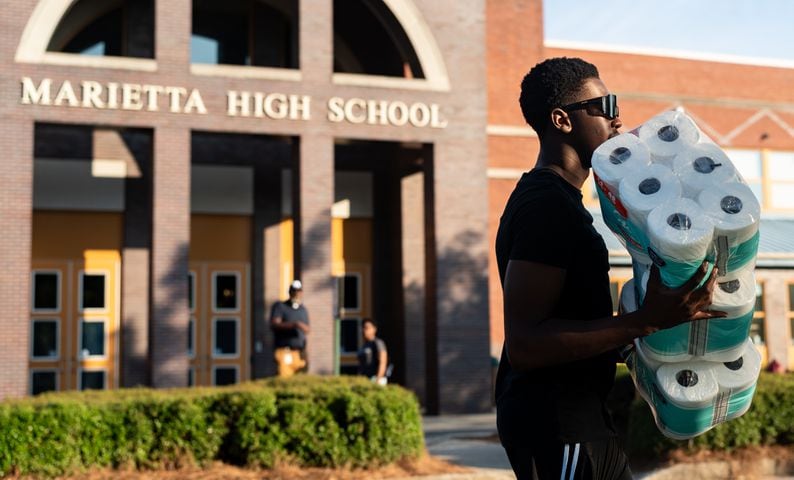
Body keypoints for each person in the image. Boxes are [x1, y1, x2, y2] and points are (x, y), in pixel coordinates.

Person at [494, 57, 726, 480]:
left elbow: (568, 323)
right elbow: (525, 345)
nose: (618, 118)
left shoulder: (564, 203)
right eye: (604, 105)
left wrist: (645, 340)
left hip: (582, 420)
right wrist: (644, 322)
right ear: (562, 120)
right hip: (558, 425)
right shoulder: (545, 206)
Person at [270, 279, 310, 377]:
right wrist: (294, 324)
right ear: (290, 292)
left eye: (299, 291)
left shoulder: (302, 309)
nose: (296, 293)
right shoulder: (281, 307)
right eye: (294, 291)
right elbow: (275, 324)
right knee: (285, 378)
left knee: (300, 380)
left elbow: (307, 329)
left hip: (299, 352)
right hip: (285, 351)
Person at [357, 318, 388, 385]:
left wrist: (378, 379)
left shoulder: (378, 343)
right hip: (365, 379)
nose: (364, 330)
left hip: (375, 379)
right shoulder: (364, 345)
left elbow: (383, 362)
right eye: (363, 328)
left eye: (367, 328)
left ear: (374, 329)